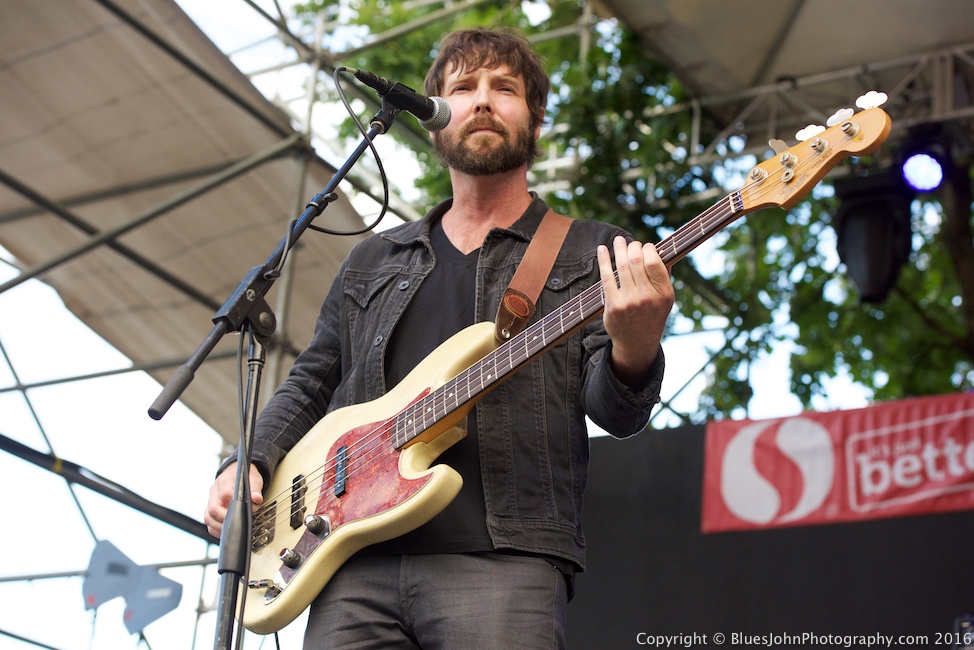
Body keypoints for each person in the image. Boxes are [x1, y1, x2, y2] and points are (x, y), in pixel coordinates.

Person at [205, 26, 674, 649]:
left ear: (534, 123)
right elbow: (313, 380)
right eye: (463, 87)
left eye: (504, 88)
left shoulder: (591, 251)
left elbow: (614, 413)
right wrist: (251, 460)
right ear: (434, 124)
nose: (482, 100)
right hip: (348, 562)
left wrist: (636, 345)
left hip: (504, 561)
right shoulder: (375, 260)